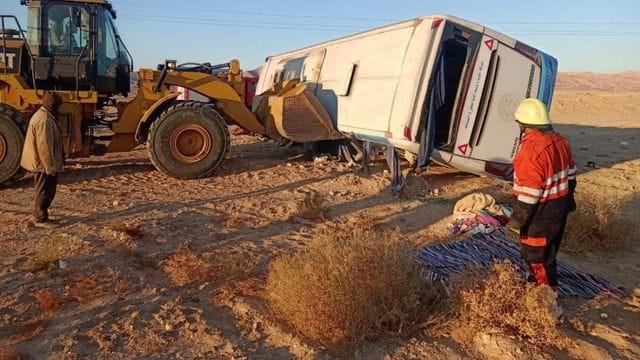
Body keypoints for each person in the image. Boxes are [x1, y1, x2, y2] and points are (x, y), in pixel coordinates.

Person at [511, 98, 577, 292]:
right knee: (549, 254)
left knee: (535, 257)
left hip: (541, 213)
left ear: (523, 126)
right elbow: (571, 173)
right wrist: (569, 199)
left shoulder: (530, 150)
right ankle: (548, 289)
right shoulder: (560, 141)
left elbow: (530, 193)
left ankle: (544, 299)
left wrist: (517, 221)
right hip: (560, 206)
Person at [20, 91, 65, 227]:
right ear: (53, 105)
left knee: (46, 189)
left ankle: (42, 216)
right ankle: (40, 219)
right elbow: (44, 147)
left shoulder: (46, 116)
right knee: (44, 190)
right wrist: (49, 168)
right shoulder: (44, 120)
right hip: (42, 164)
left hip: (43, 163)